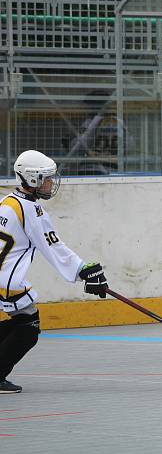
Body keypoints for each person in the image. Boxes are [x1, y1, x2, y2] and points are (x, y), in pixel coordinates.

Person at [0, 150, 108, 394]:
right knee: (29, 329)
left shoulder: (8, 201)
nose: (51, 183)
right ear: (33, 179)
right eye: (47, 178)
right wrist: (84, 270)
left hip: (2, 275)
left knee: (21, 320)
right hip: (7, 280)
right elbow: (53, 247)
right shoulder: (31, 211)